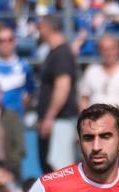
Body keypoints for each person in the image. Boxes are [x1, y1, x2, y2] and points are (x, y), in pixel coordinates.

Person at [36, 14, 79, 174]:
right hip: (55, 121)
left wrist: (49, 117)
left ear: (49, 27)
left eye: (41, 26)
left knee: (60, 171)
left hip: (60, 121)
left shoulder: (62, 53)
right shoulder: (53, 52)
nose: (38, 30)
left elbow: (63, 87)